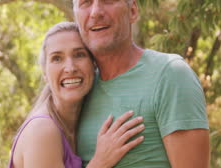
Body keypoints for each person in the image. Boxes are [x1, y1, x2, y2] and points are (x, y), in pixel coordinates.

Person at [72, 0, 210, 167]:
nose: (96, 12)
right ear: (76, 17)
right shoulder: (78, 90)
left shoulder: (170, 75)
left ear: (133, 11)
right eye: (86, 2)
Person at [8, 21, 146, 168]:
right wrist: (101, 162)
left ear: (94, 65)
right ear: (44, 73)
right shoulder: (42, 130)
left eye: (79, 55)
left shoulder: (80, 125)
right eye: (57, 58)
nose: (70, 68)